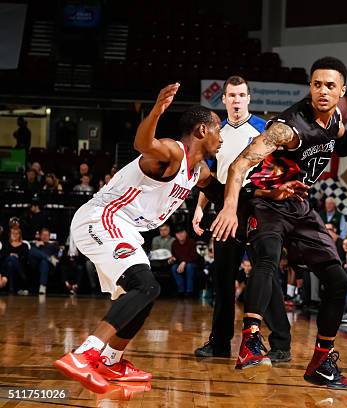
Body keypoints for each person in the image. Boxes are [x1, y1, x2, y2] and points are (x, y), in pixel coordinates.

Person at [211, 56, 347, 389]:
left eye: (330, 86)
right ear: (310, 87)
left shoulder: (336, 120)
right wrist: (230, 207)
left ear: (342, 90)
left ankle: (321, 362)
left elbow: (339, 144)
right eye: (317, 84)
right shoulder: (288, 127)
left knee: (339, 279)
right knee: (268, 258)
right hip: (266, 200)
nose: (323, 91)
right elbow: (239, 165)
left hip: (299, 204)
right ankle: (251, 342)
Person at [53, 83, 223, 393]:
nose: (221, 136)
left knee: (143, 296)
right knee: (146, 285)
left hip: (125, 228)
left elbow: (219, 193)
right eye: (218, 129)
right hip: (103, 216)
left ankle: (111, 360)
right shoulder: (173, 152)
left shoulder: (197, 171)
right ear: (201, 130)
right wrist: (157, 110)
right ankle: (85, 354)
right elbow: (144, 143)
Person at [192, 75, 293, 362]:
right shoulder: (216, 133)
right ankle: (220, 343)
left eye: (241, 95)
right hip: (224, 205)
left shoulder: (265, 129)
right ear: (223, 100)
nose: (236, 100)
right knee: (223, 277)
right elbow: (208, 176)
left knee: (265, 273)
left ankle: (281, 343)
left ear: (249, 98)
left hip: (259, 205)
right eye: (231, 95)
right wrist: (200, 208)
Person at [28, 227, 60, 295]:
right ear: (40, 236)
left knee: (44, 262)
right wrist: (36, 246)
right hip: (36, 264)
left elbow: (57, 255)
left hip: (47, 266)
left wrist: (52, 257)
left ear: (49, 236)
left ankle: (42, 286)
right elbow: (31, 253)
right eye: (43, 235)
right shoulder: (36, 244)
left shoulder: (53, 245)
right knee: (32, 250)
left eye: (47, 235)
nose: (45, 237)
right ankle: (48, 258)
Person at [169, 226, 198, 296]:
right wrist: (172, 259)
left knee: (189, 267)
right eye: (178, 233)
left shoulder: (192, 242)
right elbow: (175, 255)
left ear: (186, 233)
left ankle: (189, 291)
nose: (180, 235)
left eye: (182, 232)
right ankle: (181, 290)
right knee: (174, 268)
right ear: (176, 235)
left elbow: (194, 257)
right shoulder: (174, 243)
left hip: (192, 263)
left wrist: (184, 262)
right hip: (180, 263)